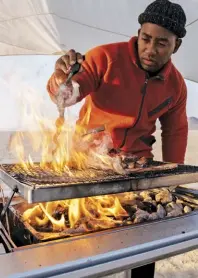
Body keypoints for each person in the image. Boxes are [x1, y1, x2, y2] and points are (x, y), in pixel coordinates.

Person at [46, 0, 187, 277]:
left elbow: (175, 132)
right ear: (138, 33)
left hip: (136, 168)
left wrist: (172, 179)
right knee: (82, 244)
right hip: (88, 163)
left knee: (145, 243)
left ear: (176, 46)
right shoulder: (105, 58)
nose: (150, 49)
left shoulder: (176, 85)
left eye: (161, 43)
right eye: (146, 38)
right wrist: (62, 77)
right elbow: (66, 94)